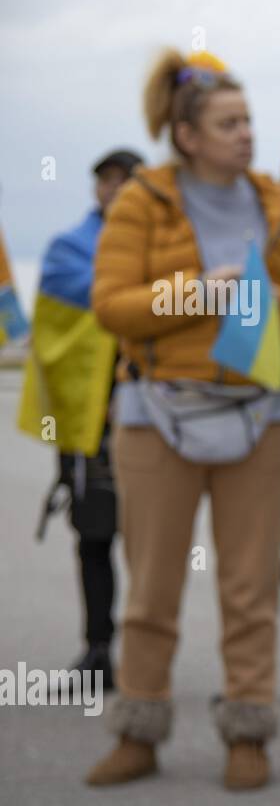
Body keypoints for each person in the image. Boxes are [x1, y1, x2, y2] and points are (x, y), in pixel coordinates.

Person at [85, 49, 280, 790]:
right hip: (155, 416)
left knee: (250, 586)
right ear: (186, 134)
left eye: (249, 119)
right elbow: (111, 305)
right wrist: (194, 292)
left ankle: (248, 736)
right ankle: (139, 730)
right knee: (152, 585)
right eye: (229, 123)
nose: (247, 134)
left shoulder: (278, 206)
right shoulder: (141, 201)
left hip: (260, 417)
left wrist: (257, 296)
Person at [26, 148, 143, 690]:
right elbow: (90, 308)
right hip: (90, 421)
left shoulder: (157, 248)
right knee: (93, 536)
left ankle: (147, 657)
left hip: (148, 416)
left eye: (128, 180)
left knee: (151, 540)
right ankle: (98, 651)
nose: (116, 189)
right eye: (108, 180)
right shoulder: (67, 248)